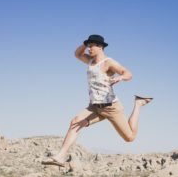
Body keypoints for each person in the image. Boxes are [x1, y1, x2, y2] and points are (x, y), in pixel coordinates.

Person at [42, 34, 153, 167]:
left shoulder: (108, 62)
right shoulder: (89, 60)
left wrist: (120, 78)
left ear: (100, 47)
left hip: (111, 107)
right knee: (75, 122)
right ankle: (60, 157)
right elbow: (77, 54)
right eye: (88, 46)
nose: (89, 49)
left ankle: (138, 104)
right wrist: (86, 42)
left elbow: (128, 73)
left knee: (130, 138)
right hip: (94, 107)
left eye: (91, 46)